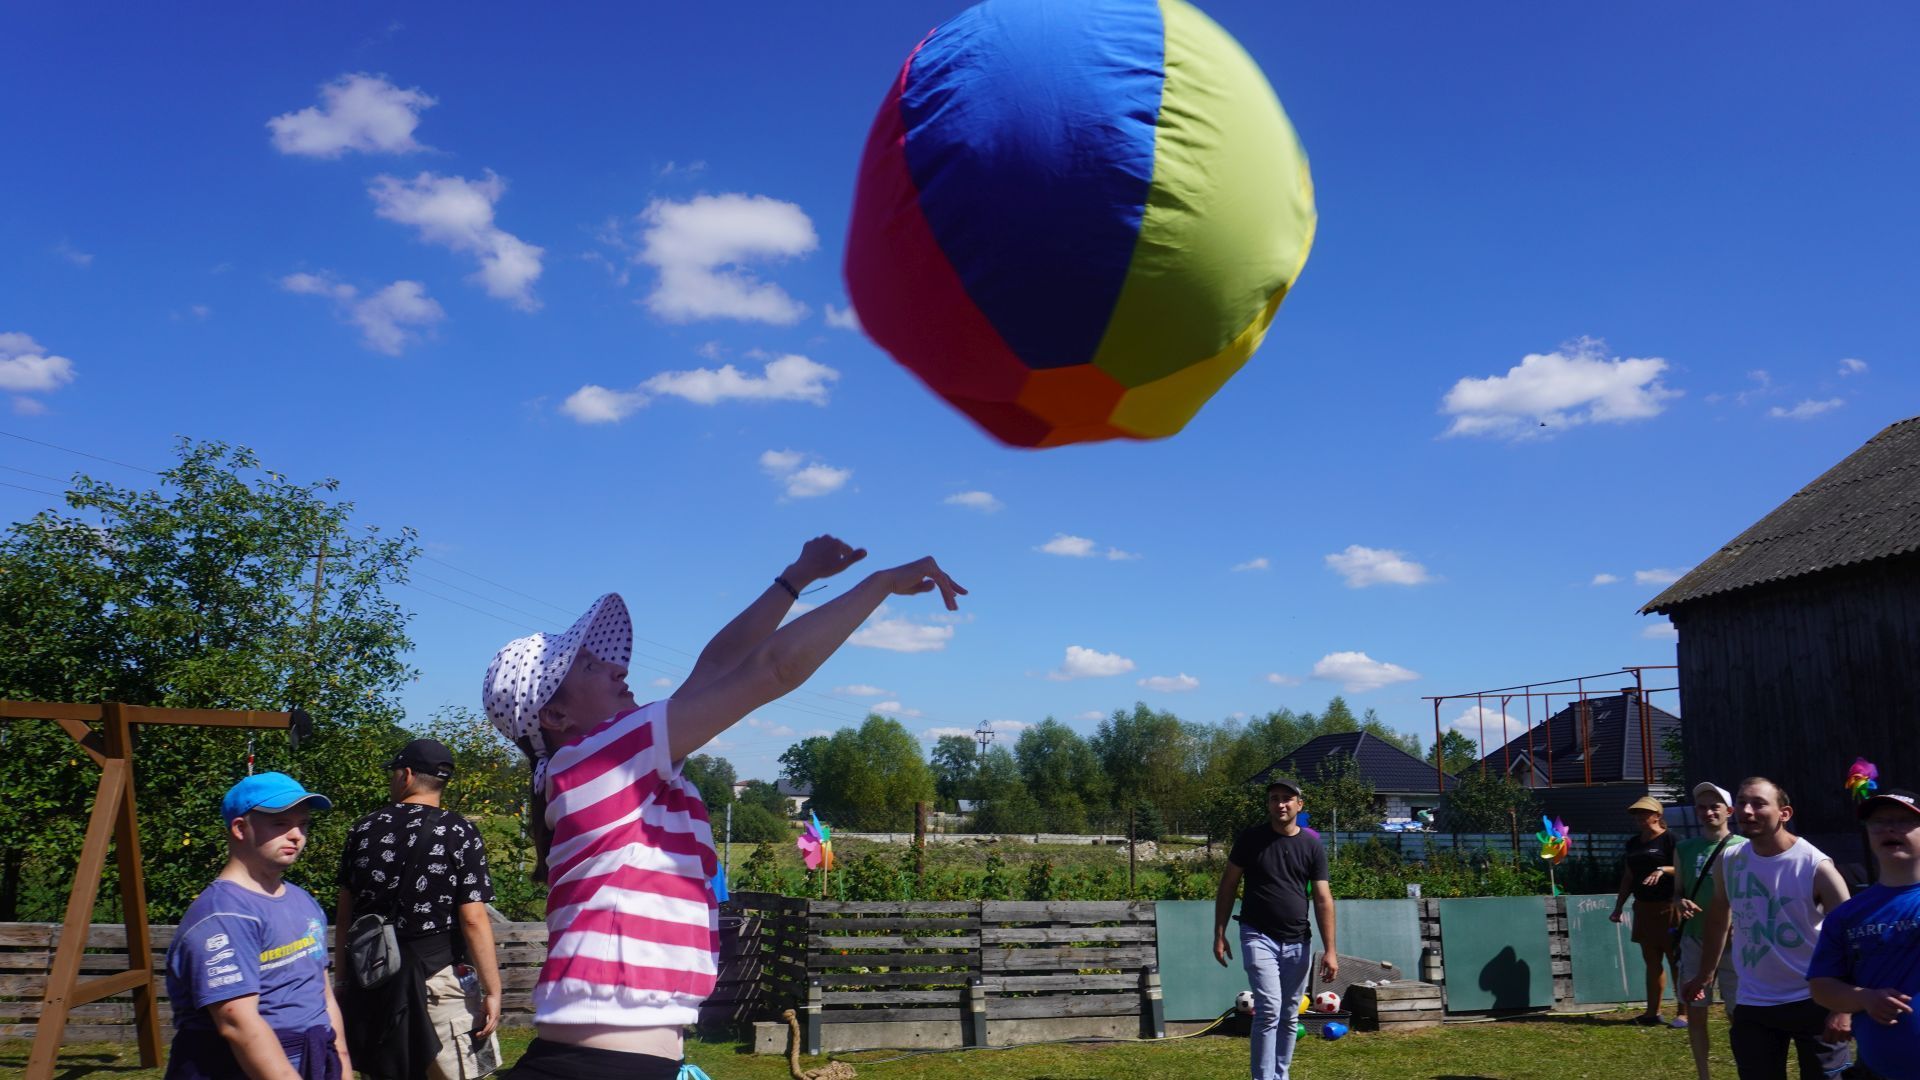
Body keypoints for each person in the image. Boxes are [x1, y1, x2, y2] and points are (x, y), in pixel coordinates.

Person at [483, 537, 963, 1080]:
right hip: (600, 1064)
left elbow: (715, 664)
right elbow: (771, 670)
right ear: (555, 715)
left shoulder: (603, 766)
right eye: (590, 667)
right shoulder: (596, 759)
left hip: (610, 1058)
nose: (618, 671)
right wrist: (879, 585)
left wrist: (794, 580)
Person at [163, 772, 351, 1080]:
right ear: (240, 827)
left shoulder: (303, 901)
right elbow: (238, 1024)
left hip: (312, 1056)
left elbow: (323, 994)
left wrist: (341, 1065)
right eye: (280, 824)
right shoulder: (223, 915)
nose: (296, 835)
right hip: (237, 1067)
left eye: (303, 824)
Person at [336, 737, 501, 1079]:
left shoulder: (363, 830)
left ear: (406, 775)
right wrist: (493, 990)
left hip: (376, 981)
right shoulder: (460, 831)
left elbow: (345, 916)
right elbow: (473, 919)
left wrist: (343, 981)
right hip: (440, 983)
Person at [1683, 777, 1853, 1080]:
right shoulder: (1730, 859)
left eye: (1759, 803)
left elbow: (1850, 938)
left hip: (1814, 1000)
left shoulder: (1816, 866)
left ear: (1784, 813)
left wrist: (1844, 1007)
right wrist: (1705, 974)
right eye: (1743, 802)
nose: (1747, 811)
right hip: (1754, 1003)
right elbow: (1719, 916)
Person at [1213, 776, 1338, 1080]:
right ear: (1268, 804)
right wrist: (1219, 933)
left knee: (1289, 1013)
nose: (1280, 804)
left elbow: (1323, 899)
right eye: (1274, 798)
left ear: (1299, 804)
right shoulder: (1250, 839)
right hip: (1257, 934)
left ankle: (1280, 1075)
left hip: (1298, 940)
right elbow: (1228, 886)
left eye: (1286, 798)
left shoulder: (1311, 845)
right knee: (1269, 1009)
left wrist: (1331, 950)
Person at [1808, 787, 1920, 1079]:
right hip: (1879, 1071)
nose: (1890, 828)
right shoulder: (1848, 915)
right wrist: (1866, 999)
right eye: (1879, 821)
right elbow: (1821, 987)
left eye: (1903, 820)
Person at [1674, 782, 1747, 1080]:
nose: (1708, 812)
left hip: (1735, 943)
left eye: (1715, 805)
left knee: (1739, 1016)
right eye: (1702, 807)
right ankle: (1704, 1074)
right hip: (1695, 939)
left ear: (1729, 811)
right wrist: (1680, 901)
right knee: (1696, 1011)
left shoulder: (1744, 847)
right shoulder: (1684, 848)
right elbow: (1677, 891)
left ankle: (1749, 1070)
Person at [1611, 794, 1683, 1026]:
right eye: (1636, 814)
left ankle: (1683, 1012)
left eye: (1645, 813)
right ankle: (1653, 1013)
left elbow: (1685, 871)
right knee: (1652, 962)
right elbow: (1628, 876)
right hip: (1643, 909)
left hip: (1670, 908)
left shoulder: (1672, 840)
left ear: (1658, 815)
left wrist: (1663, 869)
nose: (1640, 817)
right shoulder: (1633, 843)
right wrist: (1618, 907)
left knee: (1676, 962)